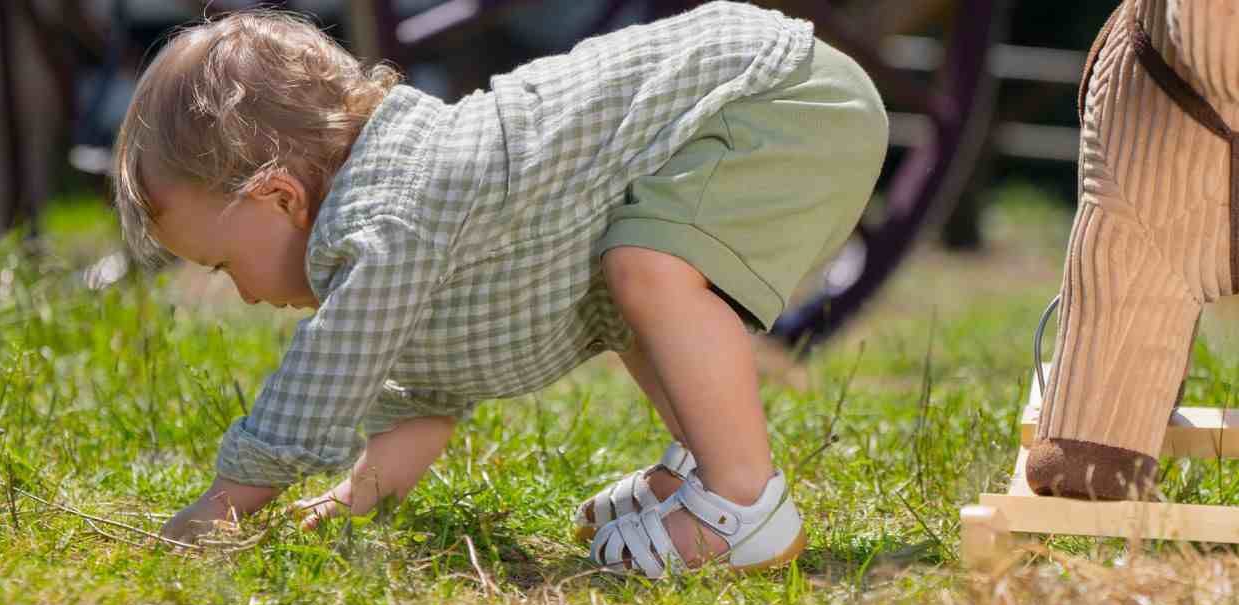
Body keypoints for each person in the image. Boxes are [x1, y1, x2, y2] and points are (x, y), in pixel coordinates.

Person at [113, 1, 887, 576]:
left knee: (649, 270)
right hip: (771, 95)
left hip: (780, 98)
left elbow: (329, 370)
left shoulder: (393, 212)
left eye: (221, 264)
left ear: (280, 196)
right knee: (630, 281)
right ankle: (699, 468)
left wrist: (225, 505)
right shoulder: (400, 235)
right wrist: (355, 497)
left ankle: (743, 504)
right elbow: (422, 398)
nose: (242, 295)